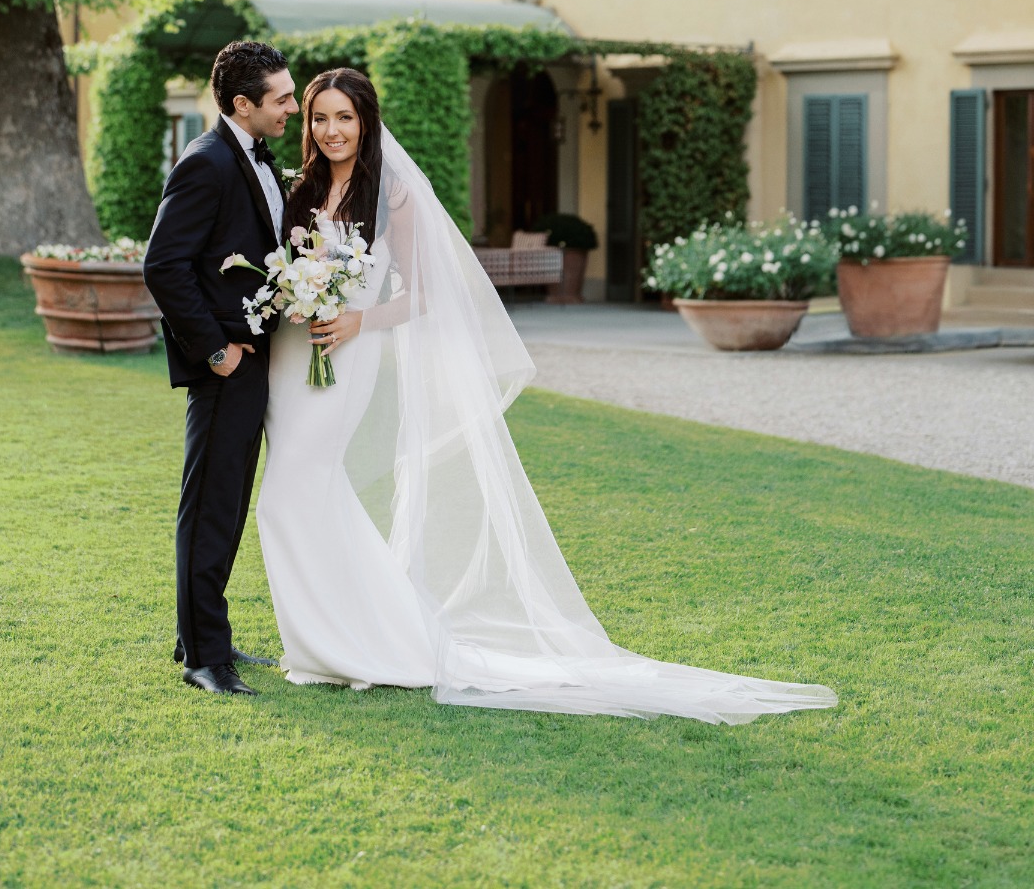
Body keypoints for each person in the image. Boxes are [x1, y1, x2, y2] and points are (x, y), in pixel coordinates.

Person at [256, 67, 837, 723]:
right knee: (306, 498)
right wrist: (291, 299)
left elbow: (421, 295)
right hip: (292, 360)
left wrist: (359, 318)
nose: (333, 131)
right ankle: (326, 643)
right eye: (321, 118)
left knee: (284, 499)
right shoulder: (297, 191)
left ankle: (373, 643)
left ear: (367, 121)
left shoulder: (392, 197)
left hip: (345, 359)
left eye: (346, 118)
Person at [143, 39, 297, 697]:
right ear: (243, 104)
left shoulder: (256, 158)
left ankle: (203, 633)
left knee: (226, 506)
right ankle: (204, 658)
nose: (294, 107)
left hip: (256, 357)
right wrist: (216, 350)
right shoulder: (205, 164)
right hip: (224, 367)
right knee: (210, 507)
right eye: (283, 99)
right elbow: (163, 266)